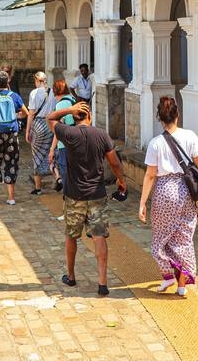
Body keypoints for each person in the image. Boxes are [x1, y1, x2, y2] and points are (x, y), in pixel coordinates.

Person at [46, 100, 126, 296]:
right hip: (97, 194)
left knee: (72, 235)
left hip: (74, 195)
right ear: (89, 116)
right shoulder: (101, 135)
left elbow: (50, 118)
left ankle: (71, 276)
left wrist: (68, 109)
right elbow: (114, 162)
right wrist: (121, 180)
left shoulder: (69, 133)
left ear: (74, 117)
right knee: (99, 236)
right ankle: (102, 283)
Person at [139, 96, 198, 297]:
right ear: (177, 114)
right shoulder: (190, 136)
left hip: (164, 191)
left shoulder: (155, 143)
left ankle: (167, 275)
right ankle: (181, 285)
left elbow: (150, 175)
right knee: (183, 238)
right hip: (186, 191)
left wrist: (142, 202)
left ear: (159, 117)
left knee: (161, 238)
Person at [0, 71, 27, 205]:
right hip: (12, 134)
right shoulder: (15, 96)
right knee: (11, 162)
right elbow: (25, 113)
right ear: (8, 82)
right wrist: (14, 117)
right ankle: (11, 198)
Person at [25, 71, 53, 195]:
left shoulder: (34, 93)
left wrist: (27, 130)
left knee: (37, 156)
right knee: (52, 153)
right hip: (51, 124)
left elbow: (31, 113)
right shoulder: (52, 92)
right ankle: (57, 178)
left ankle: (38, 188)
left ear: (37, 80)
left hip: (38, 125)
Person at [48, 79, 76, 192]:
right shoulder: (73, 100)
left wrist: (51, 149)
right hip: (76, 142)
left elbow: (58, 131)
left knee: (66, 173)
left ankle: (68, 198)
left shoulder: (61, 105)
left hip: (64, 145)